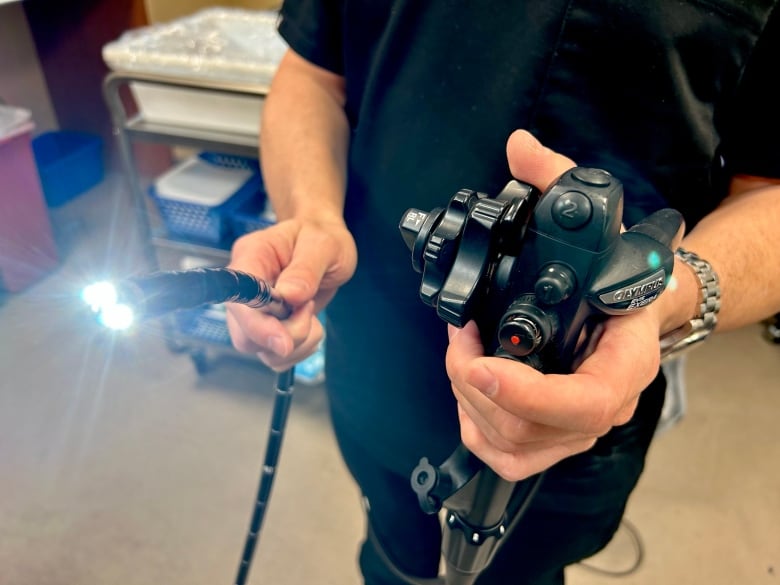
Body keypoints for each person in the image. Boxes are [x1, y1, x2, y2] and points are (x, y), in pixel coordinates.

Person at [225, 2, 780, 583]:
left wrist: (675, 290)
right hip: (377, 355)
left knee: (522, 569)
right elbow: (312, 73)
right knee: (391, 557)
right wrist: (311, 215)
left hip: (575, 418)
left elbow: (769, 190)